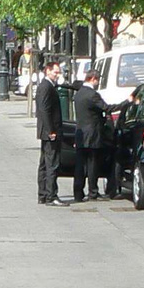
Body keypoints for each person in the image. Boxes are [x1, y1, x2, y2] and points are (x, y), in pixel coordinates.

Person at [72, 69, 111, 202]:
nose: (98, 83)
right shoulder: (93, 95)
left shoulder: (79, 94)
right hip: (93, 134)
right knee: (92, 164)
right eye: (98, 80)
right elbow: (106, 108)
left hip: (80, 134)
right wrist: (126, 103)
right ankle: (93, 192)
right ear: (93, 79)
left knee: (80, 166)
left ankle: (78, 193)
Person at [35, 59, 67, 205]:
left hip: (46, 131)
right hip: (50, 131)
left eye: (58, 73)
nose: (57, 75)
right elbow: (44, 110)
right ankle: (51, 195)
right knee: (51, 163)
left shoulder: (47, 86)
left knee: (44, 163)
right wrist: (50, 131)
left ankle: (43, 194)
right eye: (55, 72)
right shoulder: (46, 87)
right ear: (47, 71)